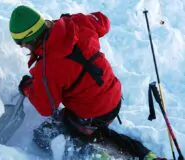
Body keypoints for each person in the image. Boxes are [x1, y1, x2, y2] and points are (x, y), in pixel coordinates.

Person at [9, 5, 159, 160]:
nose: (21, 46)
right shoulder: (76, 23)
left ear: (31, 39)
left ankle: (90, 156)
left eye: (21, 42)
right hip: (113, 96)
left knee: (44, 135)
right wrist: (77, 21)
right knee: (97, 131)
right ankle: (146, 155)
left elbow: (46, 107)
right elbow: (103, 21)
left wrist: (27, 88)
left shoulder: (47, 68)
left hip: (92, 112)